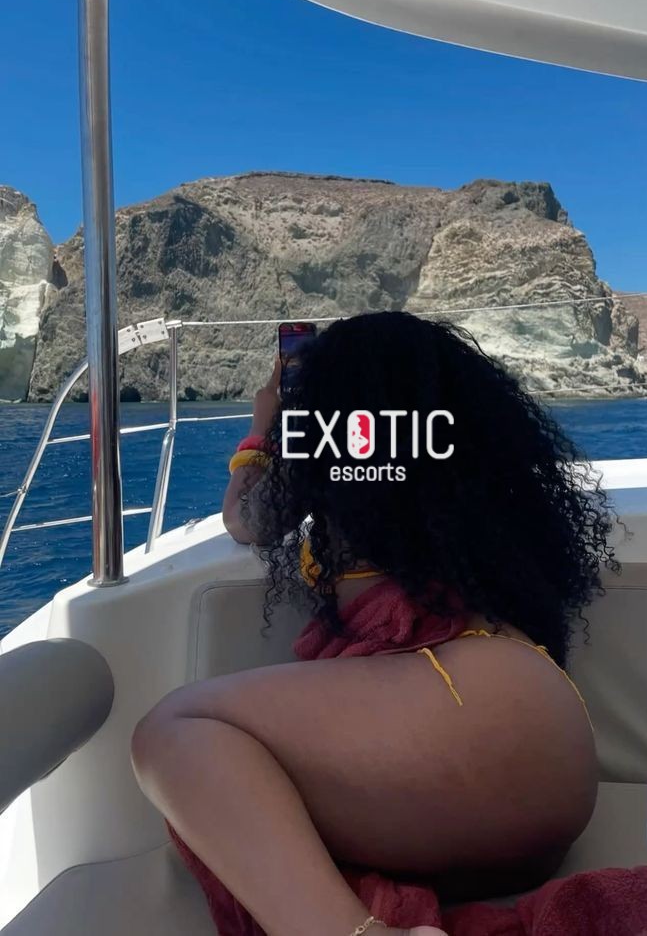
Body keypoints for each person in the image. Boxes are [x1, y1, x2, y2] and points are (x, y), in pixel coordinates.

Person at [132, 312, 616, 936]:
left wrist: (267, 424)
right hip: (546, 750)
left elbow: (246, 520)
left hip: (467, 721)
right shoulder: (462, 477)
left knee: (173, 730)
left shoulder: (328, 459)